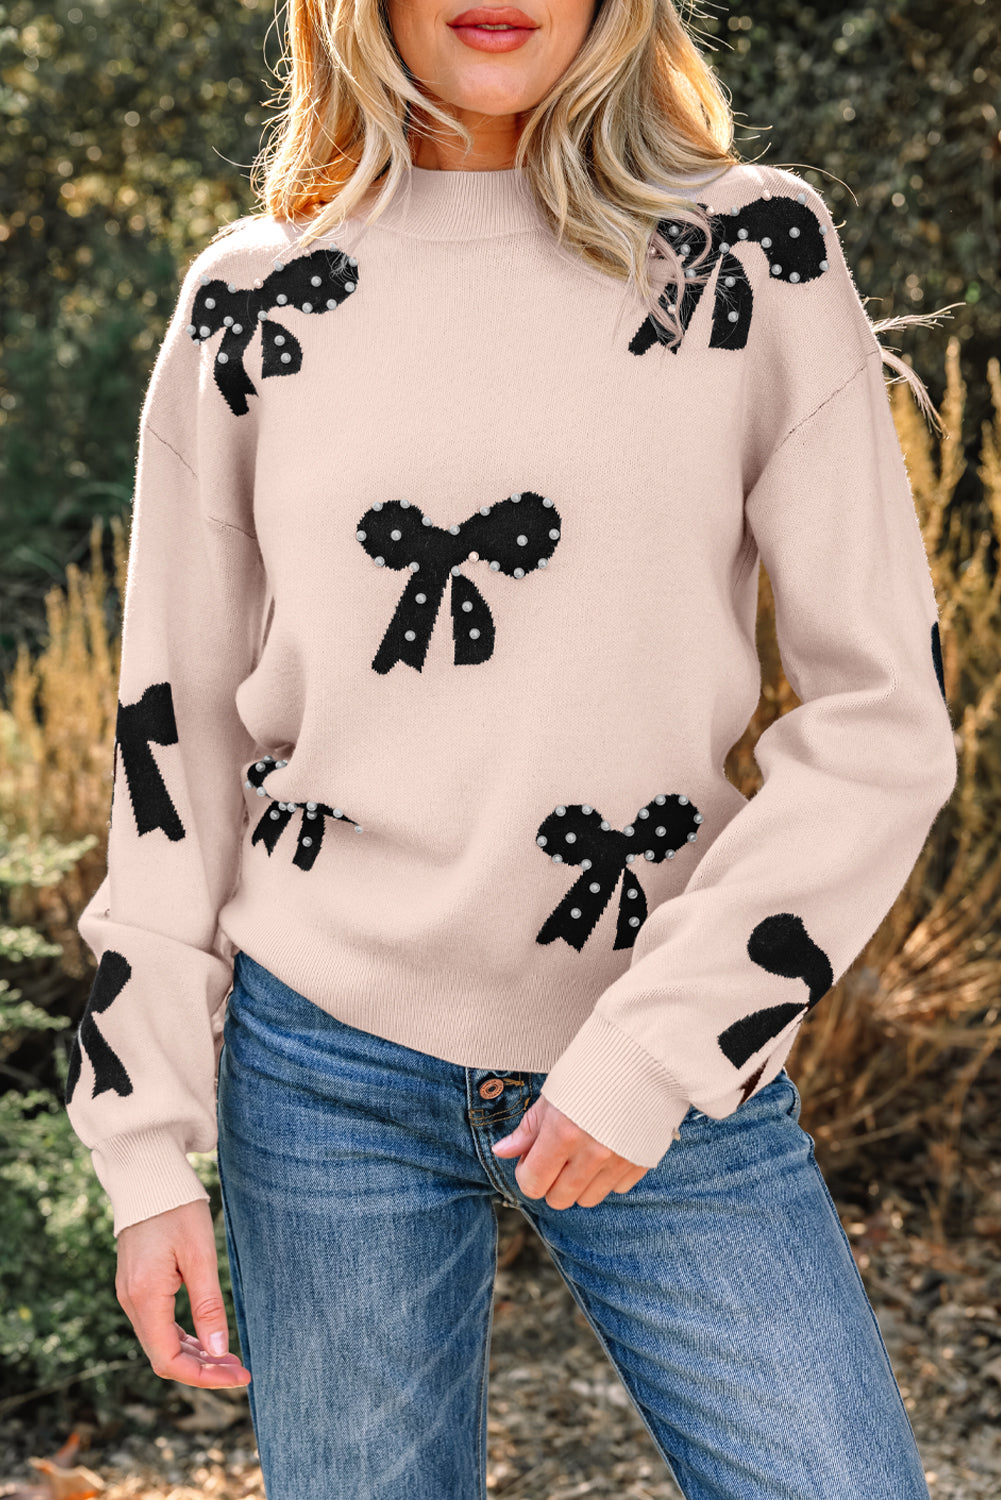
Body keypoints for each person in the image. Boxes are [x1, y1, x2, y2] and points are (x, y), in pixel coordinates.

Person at [64, 0, 958, 1494]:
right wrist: (143, 1151)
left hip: (660, 1036)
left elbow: (882, 719)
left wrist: (663, 1045)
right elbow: (174, 741)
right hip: (320, 1064)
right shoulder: (251, 304)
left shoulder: (746, 255)